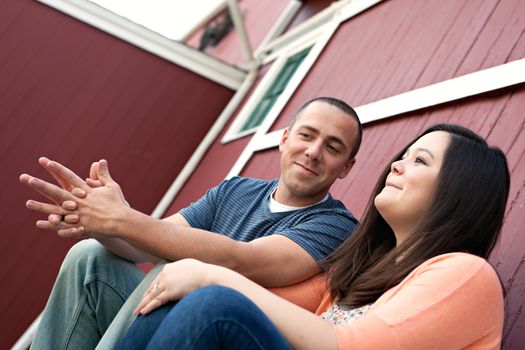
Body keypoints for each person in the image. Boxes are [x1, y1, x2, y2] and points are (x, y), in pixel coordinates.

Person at [118, 123, 510, 350]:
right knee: (186, 295)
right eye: (404, 155)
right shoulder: (362, 268)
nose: (396, 165)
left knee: (213, 302)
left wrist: (212, 275)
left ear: (458, 191)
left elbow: (350, 347)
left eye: (419, 160)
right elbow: (267, 301)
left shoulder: (466, 276)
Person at [20, 97, 362, 350]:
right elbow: (145, 243)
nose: (314, 151)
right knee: (89, 255)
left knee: (175, 269)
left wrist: (122, 219)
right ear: (285, 138)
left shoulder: (336, 226)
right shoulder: (237, 190)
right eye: (307, 135)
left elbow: (241, 259)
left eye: (332, 147)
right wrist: (101, 225)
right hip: (157, 326)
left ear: (346, 166)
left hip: (211, 334)